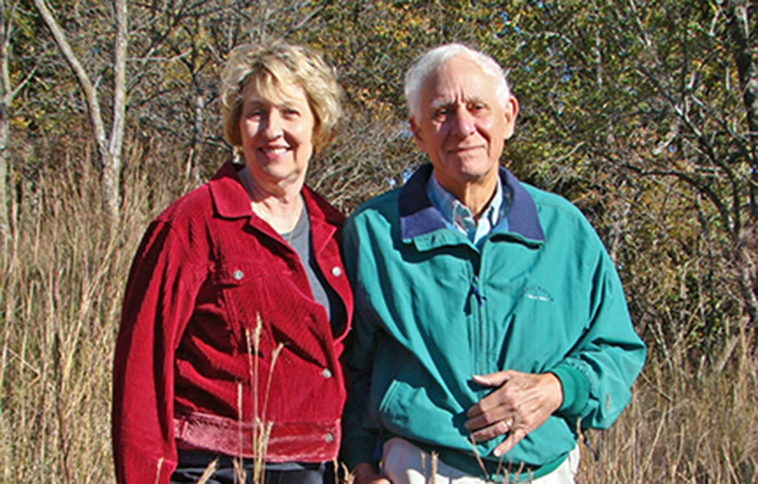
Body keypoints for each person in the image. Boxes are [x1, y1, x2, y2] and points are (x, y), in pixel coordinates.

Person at [340, 43, 646, 483]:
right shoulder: (373, 232)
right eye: (442, 112)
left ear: (509, 115)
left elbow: (617, 348)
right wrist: (363, 468)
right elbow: (349, 367)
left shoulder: (564, 230)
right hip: (423, 469)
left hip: (545, 472)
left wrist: (558, 387)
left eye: (478, 107)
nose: (463, 127)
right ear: (416, 129)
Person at [112, 42, 353, 484]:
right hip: (217, 469)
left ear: (317, 124)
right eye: (256, 112)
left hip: (317, 470)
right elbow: (141, 373)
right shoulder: (192, 223)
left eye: (290, 112)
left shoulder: (336, 233)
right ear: (238, 126)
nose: (271, 130)